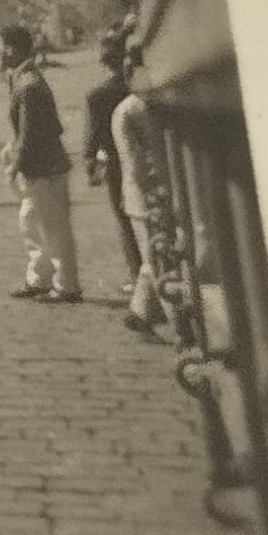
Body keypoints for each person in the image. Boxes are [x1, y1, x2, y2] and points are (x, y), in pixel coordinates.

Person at [2, 24, 82, 303]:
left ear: (11, 48)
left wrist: (16, 163)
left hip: (44, 167)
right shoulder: (25, 77)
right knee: (31, 221)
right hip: (42, 166)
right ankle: (40, 277)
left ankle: (67, 285)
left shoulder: (28, 84)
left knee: (53, 226)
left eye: (1, 46)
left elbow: (29, 131)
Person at [112, 51, 170, 334]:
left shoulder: (145, 106)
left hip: (149, 193)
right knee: (154, 258)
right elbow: (133, 161)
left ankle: (140, 312)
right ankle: (167, 320)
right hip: (144, 195)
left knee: (155, 257)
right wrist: (152, 192)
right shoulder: (130, 110)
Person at [84, 28, 140, 293]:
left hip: (117, 162)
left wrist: (89, 163)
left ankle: (138, 275)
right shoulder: (139, 83)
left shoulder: (97, 95)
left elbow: (92, 136)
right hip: (144, 157)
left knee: (125, 218)